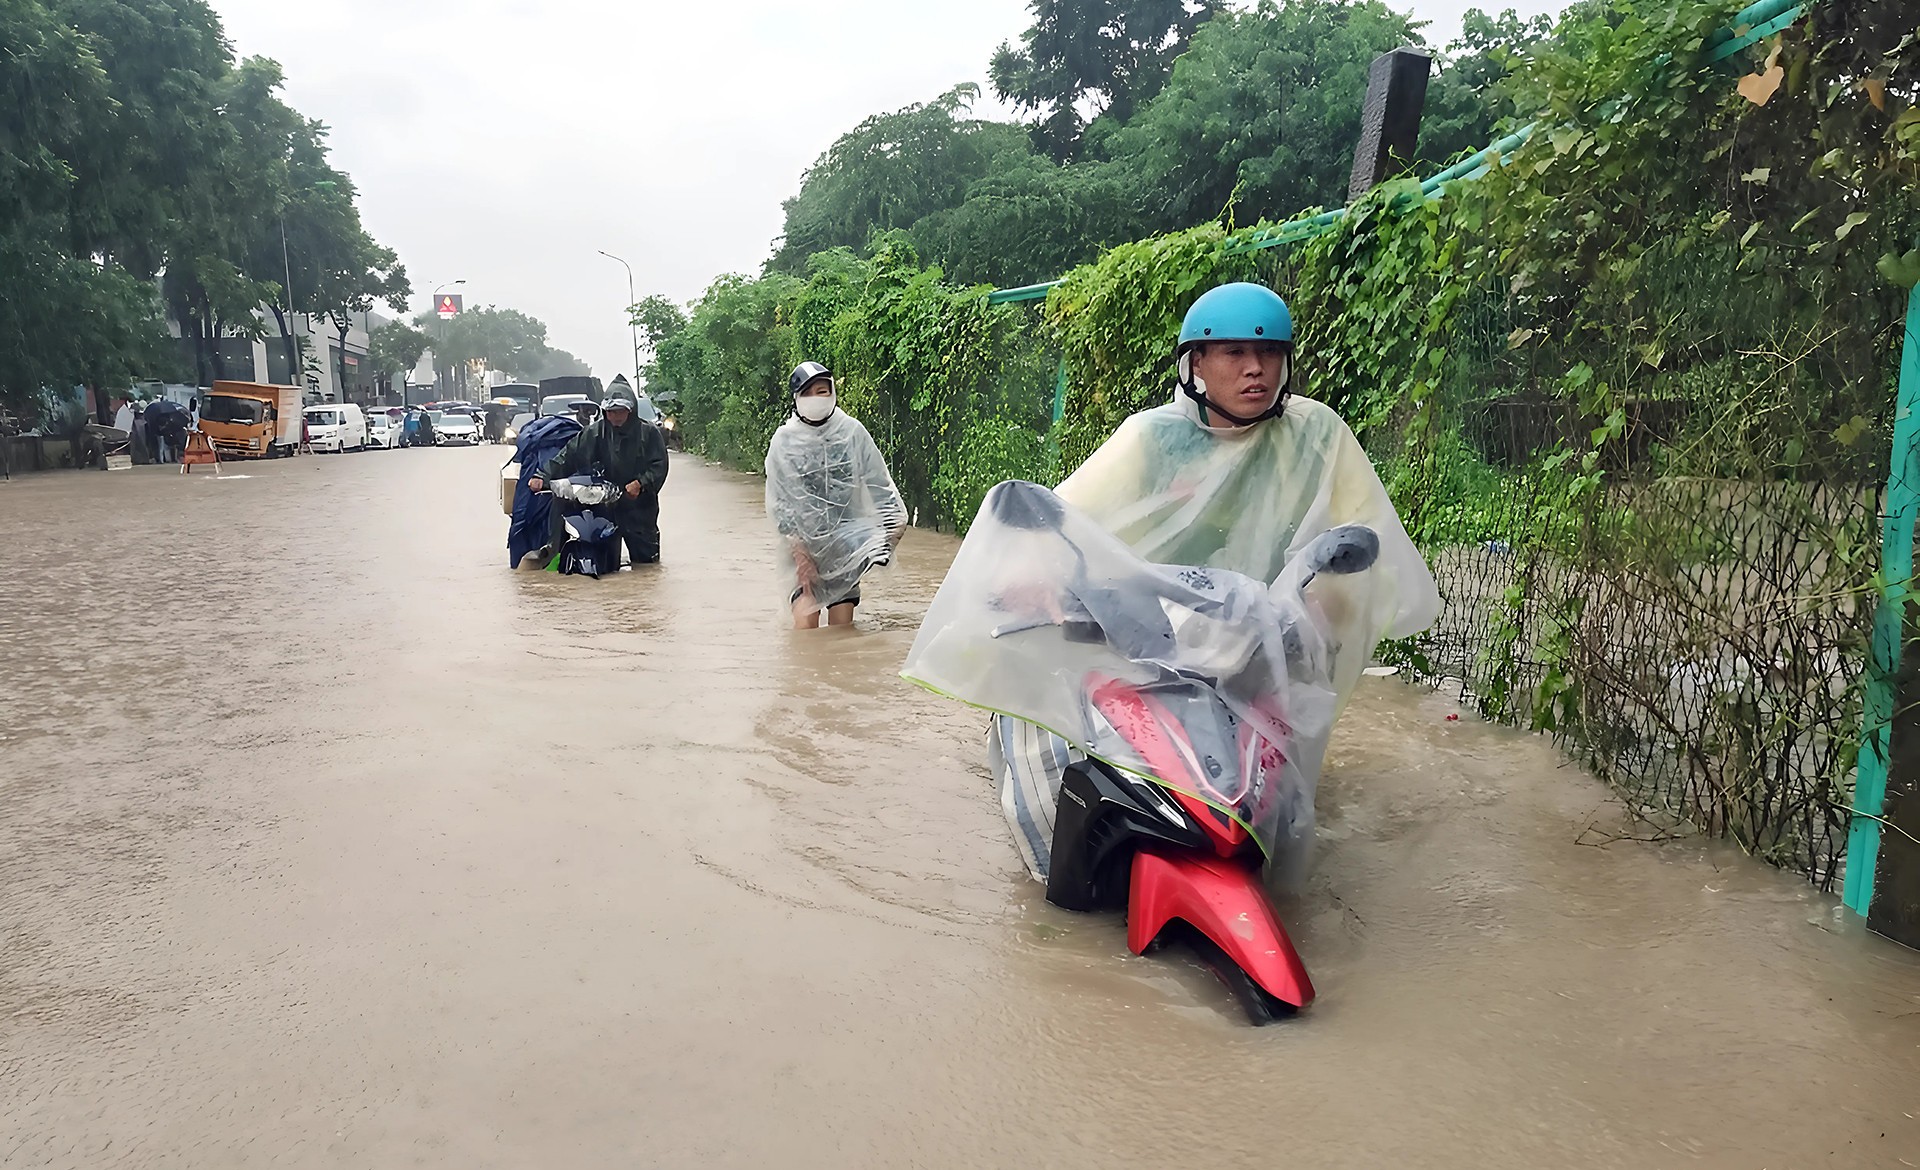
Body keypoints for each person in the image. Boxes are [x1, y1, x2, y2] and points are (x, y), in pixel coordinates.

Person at [981, 281, 1441, 881]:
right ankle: (1066, 872)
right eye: (1233, 354)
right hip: (1150, 636)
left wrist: (1324, 606)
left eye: (1271, 354)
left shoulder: (1317, 434)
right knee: (1047, 748)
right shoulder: (1153, 438)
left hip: (1256, 638)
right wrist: (1032, 579)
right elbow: (1073, 513)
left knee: (1294, 792)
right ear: (1195, 363)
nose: (1256, 370)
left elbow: (1359, 528)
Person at [765, 362, 907, 628]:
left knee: (841, 634)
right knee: (806, 628)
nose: (817, 399)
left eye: (823, 391)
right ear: (796, 399)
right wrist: (801, 555)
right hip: (801, 547)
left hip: (843, 547)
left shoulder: (852, 432)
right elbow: (781, 503)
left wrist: (890, 531)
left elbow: (879, 484)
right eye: (808, 393)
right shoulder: (784, 441)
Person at [527, 382, 669, 566]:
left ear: (630, 410)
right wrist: (542, 476)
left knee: (647, 566)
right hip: (606, 507)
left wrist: (641, 483)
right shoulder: (594, 433)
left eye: (619, 411)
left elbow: (659, 466)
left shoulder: (649, 433)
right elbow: (567, 456)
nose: (614, 416)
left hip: (639, 508)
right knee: (606, 563)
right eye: (610, 411)